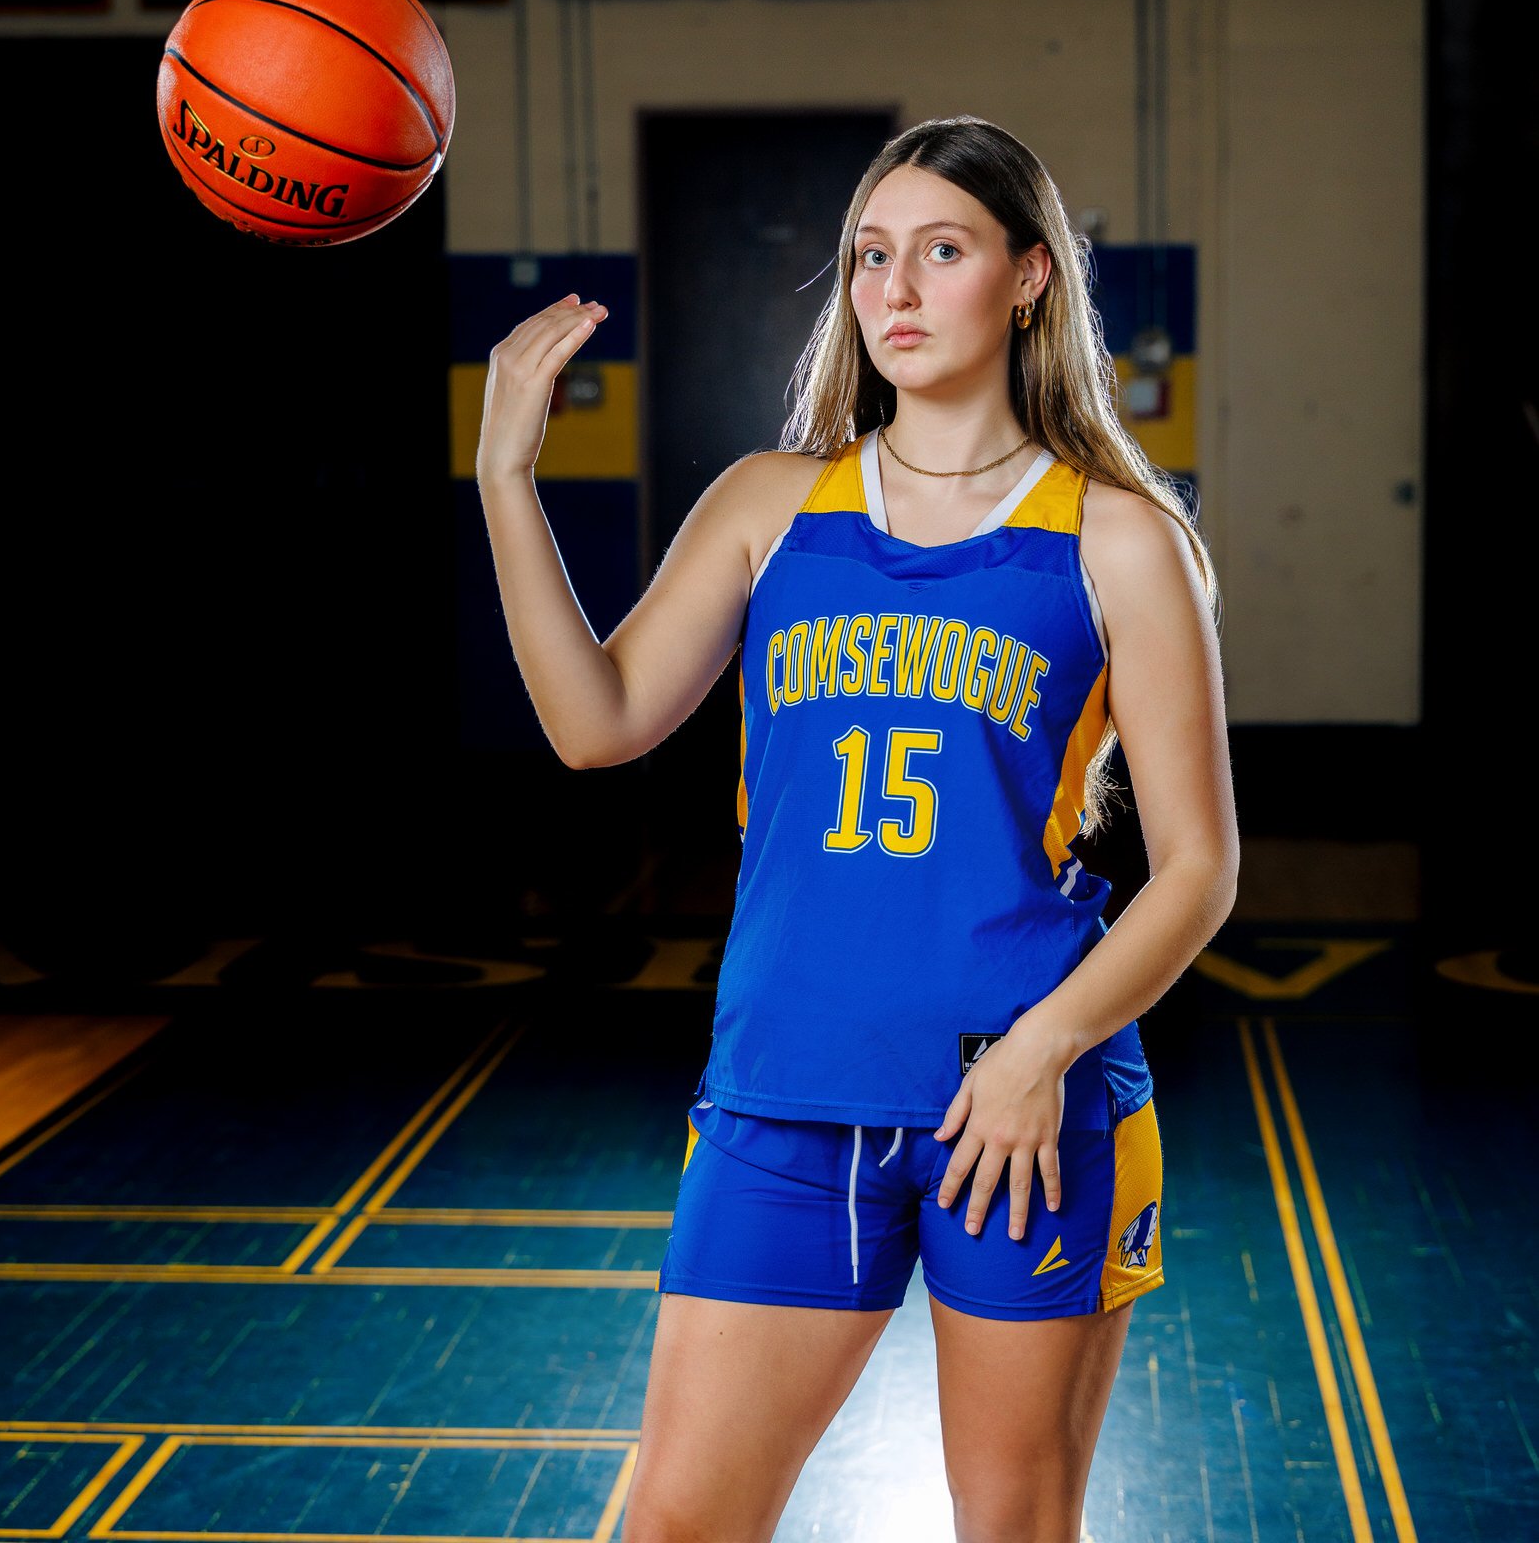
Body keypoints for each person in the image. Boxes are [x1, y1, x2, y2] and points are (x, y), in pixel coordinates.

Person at [476, 117, 1239, 1543]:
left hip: (1014, 1114)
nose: (891, 288)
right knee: (677, 1528)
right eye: (868, 257)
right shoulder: (772, 507)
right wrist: (506, 484)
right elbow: (596, 725)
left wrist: (1040, 1053)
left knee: (1009, 1529)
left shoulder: (1116, 536)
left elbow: (1198, 868)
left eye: (938, 252)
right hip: (782, 1091)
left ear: (1024, 279)